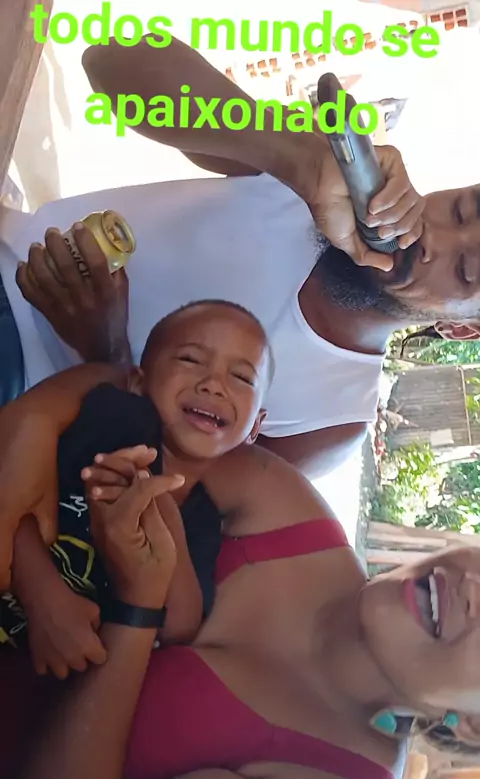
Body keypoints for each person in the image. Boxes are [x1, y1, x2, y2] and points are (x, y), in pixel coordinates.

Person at [4, 440, 480, 779]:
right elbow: (98, 422)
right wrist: (30, 569)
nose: (474, 589)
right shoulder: (281, 505)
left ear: (473, 727)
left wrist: (139, 609)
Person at [0, 35, 426, 480]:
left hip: (19, 416)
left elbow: (164, 502)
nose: (435, 239)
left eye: (464, 270)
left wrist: (104, 354)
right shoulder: (314, 175)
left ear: (461, 327)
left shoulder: (334, 422)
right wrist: (297, 159)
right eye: (461, 209)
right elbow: (110, 61)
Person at [0, 299, 272, 676]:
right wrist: (42, 595)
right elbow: (15, 488)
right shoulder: (116, 422)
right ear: (138, 382)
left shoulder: (202, 517)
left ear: (255, 427)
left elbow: (180, 624)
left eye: (241, 378)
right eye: (190, 360)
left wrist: (160, 507)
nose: (213, 385)